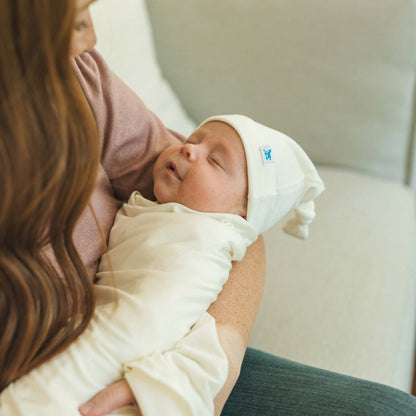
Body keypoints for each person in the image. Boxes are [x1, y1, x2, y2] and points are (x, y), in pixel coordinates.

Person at [1, 1, 416, 415]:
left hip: (166, 367)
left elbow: (231, 221)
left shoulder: (76, 74)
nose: (91, 38)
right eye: (74, 21)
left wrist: (210, 361)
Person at [0, 114, 325, 415]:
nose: (186, 149)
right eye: (193, 139)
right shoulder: (159, 213)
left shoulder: (207, 239)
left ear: (241, 214)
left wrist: (165, 388)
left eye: (214, 160)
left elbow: (177, 336)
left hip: (128, 360)